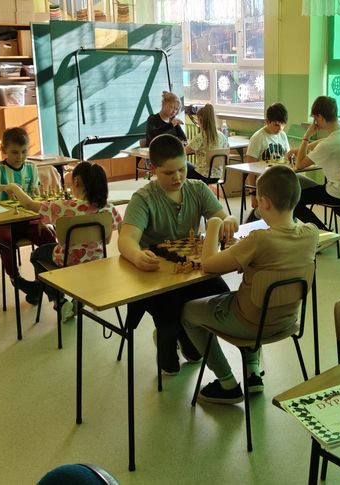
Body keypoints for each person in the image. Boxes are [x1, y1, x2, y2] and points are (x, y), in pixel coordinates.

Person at [181, 165, 319, 404]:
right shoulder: (311, 233)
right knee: (253, 296)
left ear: (263, 202)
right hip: (286, 320)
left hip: (250, 324)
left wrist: (213, 224)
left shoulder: (259, 239)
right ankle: (253, 372)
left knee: (187, 312)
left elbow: (209, 264)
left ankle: (226, 382)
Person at [118, 134, 239, 375]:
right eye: (168, 173)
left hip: (189, 270)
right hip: (156, 275)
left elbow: (223, 217)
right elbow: (126, 239)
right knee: (170, 312)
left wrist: (230, 220)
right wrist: (138, 256)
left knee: (222, 297)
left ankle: (189, 336)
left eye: (182, 169)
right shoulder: (143, 199)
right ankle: (166, 341)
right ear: (154, 170)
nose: (178, 177)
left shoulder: (197, 188)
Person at [8, 162, 122, 322]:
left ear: (76, 181)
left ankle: (59, 301)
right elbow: (107, 240)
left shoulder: (64, 206)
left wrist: (14, 188)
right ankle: (78, 299)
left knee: (36, 255)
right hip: (97, 260)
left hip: (68, 260)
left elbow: (28, 204)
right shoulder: (109, 209)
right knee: (53, 251)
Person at [0, 127, 57, 304]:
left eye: (24, 151)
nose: (20, 157)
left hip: (27, 220)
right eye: (14, 152)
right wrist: (6, 187)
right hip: (3, 222)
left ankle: (48, 287)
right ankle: (17, 280)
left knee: (48, 237)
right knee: (5, 240)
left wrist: (42, 218)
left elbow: (35, 196)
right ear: (4, 150)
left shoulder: (31, 167)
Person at [294, 96, 340, 243]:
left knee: (294, 201)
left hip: (338, 193)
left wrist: (306, 137)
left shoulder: (328, 145)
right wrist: (303, 148)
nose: (315, 121)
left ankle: (322, 233)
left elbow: (299, 165)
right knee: (332, 186)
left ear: (320, 117)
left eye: (315, 118)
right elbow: (326, 142)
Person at [244, 103, 294, 221]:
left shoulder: (282, 135)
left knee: (290, 204)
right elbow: (250, 168)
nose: (280, 128)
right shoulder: (258, 138)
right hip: (264, 184)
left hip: (280, 182)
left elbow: (287, 157)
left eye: (283, 124)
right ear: (267, 121)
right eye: (276, 124)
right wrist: (253, 194)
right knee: (264, 211)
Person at [145, 91, 196, 175]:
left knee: (193, 171)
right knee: (186, 171)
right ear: (163, 104)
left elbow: (183, 137)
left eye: (176, 109)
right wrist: (171, 125)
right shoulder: (153, 119)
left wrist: (182, 143)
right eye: (172, 107)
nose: (174, 111)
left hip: (172, 156)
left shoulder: (173, 121)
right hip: (156, 158)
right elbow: (152, 135)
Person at [186, 103, 229, 182]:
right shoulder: (221, 135)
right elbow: (226, 149)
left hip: (202, 176)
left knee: (183, 164)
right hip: (217, 176)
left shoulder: (200, 136)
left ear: (200, 120)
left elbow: (185, 151)